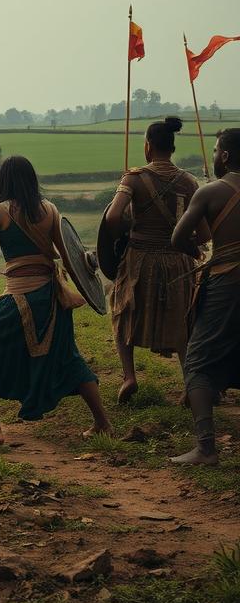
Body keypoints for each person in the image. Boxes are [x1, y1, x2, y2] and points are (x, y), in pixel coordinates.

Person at [0, 155, 111, 446]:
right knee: (68, 358)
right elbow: (69, 258)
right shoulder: (51, 210)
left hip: (20, 295)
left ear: (3, 181)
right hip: (54, 297)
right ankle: (103, 422)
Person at [104, 117, 200, 403]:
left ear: (148, 147)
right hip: (177, 261)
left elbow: (112, 217)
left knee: (124, 313)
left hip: (140, 259)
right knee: (182, 320)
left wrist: (124, 233)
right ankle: (189, 386)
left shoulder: (133, 178)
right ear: (171, 148)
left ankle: (129, 376)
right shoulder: (189, 181)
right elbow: (203, 232)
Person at [170, 129, 240, 466]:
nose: (213, 155)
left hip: (227, 284)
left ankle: (206, 448)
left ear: (225, 155)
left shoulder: (211, 192)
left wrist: (197, 252)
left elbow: (178, 237)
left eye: (215, 150)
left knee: (197, 361)